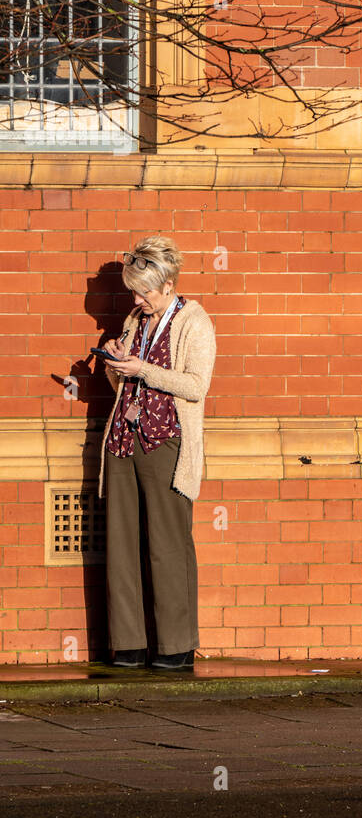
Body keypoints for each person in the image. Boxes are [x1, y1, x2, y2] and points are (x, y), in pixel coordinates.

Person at [96, 237, 217, 671]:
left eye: (143, 291)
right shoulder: (135, 320)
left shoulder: (195, 321)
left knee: (168, 544)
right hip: (124, 439)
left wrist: (142, 368)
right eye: (133, 290)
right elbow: (124, 386)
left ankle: (176, 645)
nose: (136, 299)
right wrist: (116, 364)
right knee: (122, 544)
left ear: (166, 284)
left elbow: (195, 386)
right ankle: (128, 644)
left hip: (167, 442)